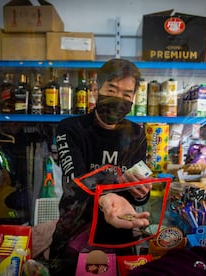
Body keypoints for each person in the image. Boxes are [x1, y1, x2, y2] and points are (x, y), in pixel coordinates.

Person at [49, 58, 153, 275]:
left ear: (133, 98)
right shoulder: (70, 128)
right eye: (112, 89)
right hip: (75, 231)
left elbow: (136, 195)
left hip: (120, 232)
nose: (118, 99)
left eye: (126, 95)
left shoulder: (136, 134)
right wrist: (106, 197)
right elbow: (74, 180)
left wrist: (141, 192)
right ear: (96, 89)